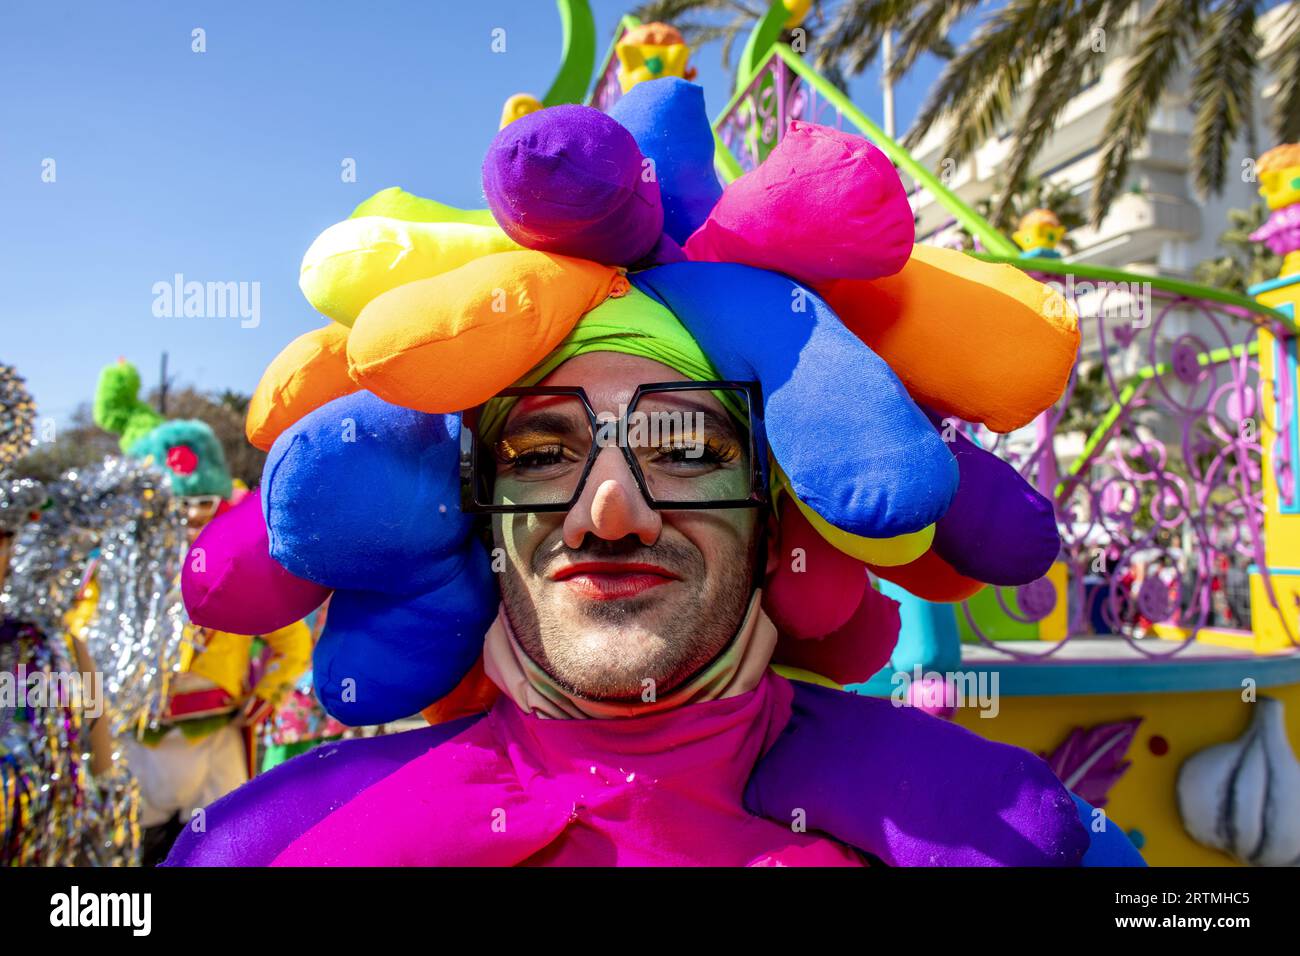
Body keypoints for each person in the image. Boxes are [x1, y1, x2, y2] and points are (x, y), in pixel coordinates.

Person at [165, 84, 1144, 866]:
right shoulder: (259, 846)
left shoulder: (1008, 831)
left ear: (774, 507)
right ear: (475, 505)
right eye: (543, 453)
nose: (608, 512)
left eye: (683, 449)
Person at [87, 359, 312, 864]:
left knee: (220, 849)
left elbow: (290, 640)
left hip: (216, 736)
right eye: (176, 504)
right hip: (136, 739)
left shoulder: (240, 573)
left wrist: (268, 695)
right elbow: (84, 637)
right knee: (127, 852)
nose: (190, 516)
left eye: (203, 501)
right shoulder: (117, 570)